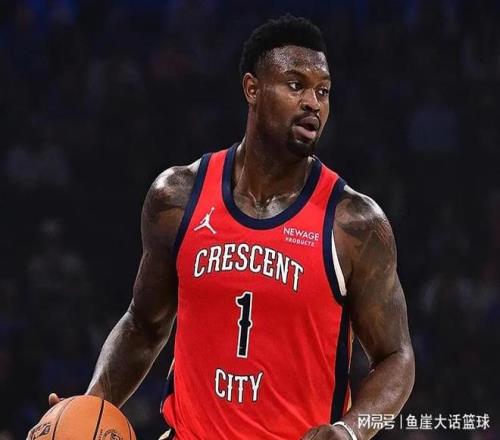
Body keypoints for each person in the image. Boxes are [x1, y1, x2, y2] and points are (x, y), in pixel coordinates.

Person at [48, 15, 414, 440]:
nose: (313, 103)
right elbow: (144, 325)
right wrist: (89, 407)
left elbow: (396, 357)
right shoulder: (177, 197)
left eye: (323, 91)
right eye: (295, 85)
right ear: (252, 89)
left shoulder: (355, 224)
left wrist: (350, 431)